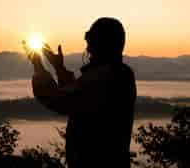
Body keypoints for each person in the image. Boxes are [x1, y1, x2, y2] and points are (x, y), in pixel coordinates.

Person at [23, 17, 137, 168]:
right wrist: (58, 67)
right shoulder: (120, 74)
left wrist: (38, 65)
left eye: (91, 43)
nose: (88, 49)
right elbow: (78, 95)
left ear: (103, 44)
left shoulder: (104, 76)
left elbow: (59, 100)